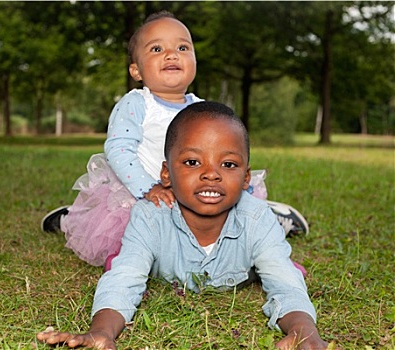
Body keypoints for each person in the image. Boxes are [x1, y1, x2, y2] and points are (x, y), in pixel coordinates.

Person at [36, 101, 328, 350]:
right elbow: (124, 279)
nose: (211, 174)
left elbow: (284, 285)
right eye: (192, 162)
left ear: (246, 177)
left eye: (227, 165)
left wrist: (304, 329)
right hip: (158, 253)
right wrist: (102, 330)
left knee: (284, 270)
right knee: (121, 263)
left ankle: (282, 245)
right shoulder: (150, 216)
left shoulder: (256, 218)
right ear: (166, 173)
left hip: (245, 265)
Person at [41, 11, 309, 271]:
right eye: (156, 49)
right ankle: (92, 236)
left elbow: (226, 152)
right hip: (149, 195)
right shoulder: (136, 104)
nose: (171, 54)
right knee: (138, 231)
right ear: (136, 70)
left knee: (237, 219)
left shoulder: (203, 110)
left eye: (182, 48)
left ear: (194, 60)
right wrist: (149, 188)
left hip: (197, 191)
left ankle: (273, 255)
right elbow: (119, 149)